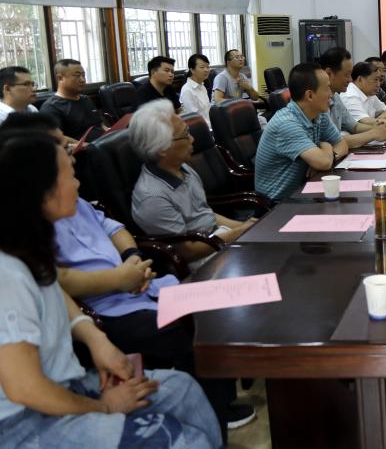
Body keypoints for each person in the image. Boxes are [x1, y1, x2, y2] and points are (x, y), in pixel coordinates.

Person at [0, 128, 221, 448]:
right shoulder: (8, 273)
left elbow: (54, 291)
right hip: (24, 422)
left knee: (182, 389)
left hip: (65, 385)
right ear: (42, 192)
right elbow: (25, 389)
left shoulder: (28, 244)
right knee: (188, 441)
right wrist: (105, 407)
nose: (78, 184)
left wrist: (95, 338)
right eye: (69, 175)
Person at [129, 99, 256, 263]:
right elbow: (187, 252)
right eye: (185, 135)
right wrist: (239, 232)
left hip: (216, 238)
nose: (192, 139)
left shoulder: (182, 168)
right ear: (162, 149)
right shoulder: (152, 198)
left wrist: (244, 226)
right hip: (200, 260)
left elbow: (205, 215)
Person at [254, 63, 350, 201]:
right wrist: (326, 146)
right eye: (327, 88)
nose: (331, 94)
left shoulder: (319, 114)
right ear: (309, 95)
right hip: (278, 205)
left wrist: (330, 156)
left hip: (305, 193)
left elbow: (342, 144)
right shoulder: (286, 124)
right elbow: (324, 162)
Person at [319, 47, 386, 149]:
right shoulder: (319, 101)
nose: (350, 79)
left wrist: (378, 128)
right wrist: (373, 134)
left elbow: (354, 126)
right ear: (329, 73)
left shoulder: (335, 96)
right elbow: (333, 141)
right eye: (347, 74)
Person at [40, 59, 105, 144]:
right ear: (60, 78)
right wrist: (87, 146)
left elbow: (100, 125)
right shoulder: (51, 107)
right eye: (77, 76)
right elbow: (57, 138)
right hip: (83, 149)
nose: (82, 80)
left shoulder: (86, 99)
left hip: (103, 143)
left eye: (83, 75)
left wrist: (110, 131)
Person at [179, 54, 212, 126]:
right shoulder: (187, 90)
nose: (206, 70)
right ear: (192, 70)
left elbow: (208, 110)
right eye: (202, 67)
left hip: (209, 125)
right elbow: (195, 118)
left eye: (207, 67)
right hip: (199, 128)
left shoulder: (202, 86)